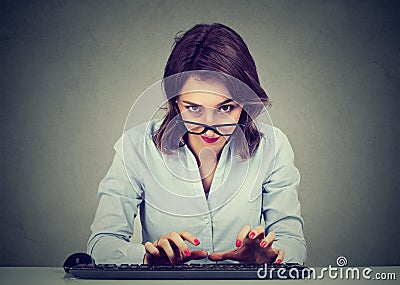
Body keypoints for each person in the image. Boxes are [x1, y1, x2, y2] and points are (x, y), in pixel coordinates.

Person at [87, 23, 306, 266]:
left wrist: (271, 256)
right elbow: (102, 243)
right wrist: (147, 257)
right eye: (193, 108)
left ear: (244, 102)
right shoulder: (136, 146)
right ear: (175, 102)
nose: (210, 125)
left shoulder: (273, 147)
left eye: (225, 107)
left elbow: (292, 242)